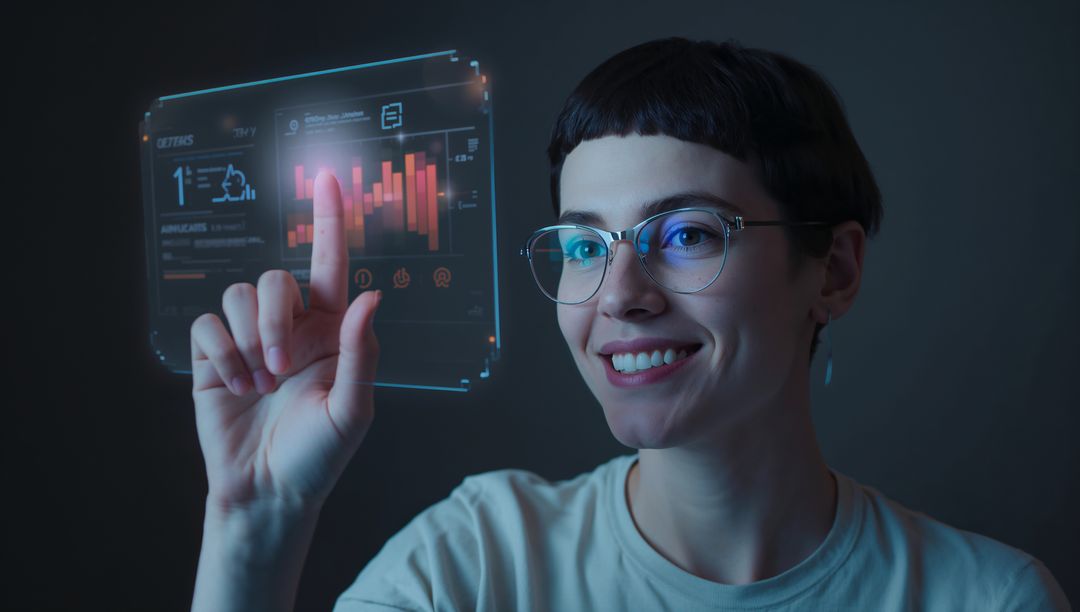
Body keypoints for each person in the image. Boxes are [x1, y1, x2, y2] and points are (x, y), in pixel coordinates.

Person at [189, 37, 1071, 611]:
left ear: (832, 270)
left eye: (686, 233)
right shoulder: (478, 564)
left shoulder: (985, 599)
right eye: (581, 246)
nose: (617, 295)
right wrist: (256, 521)